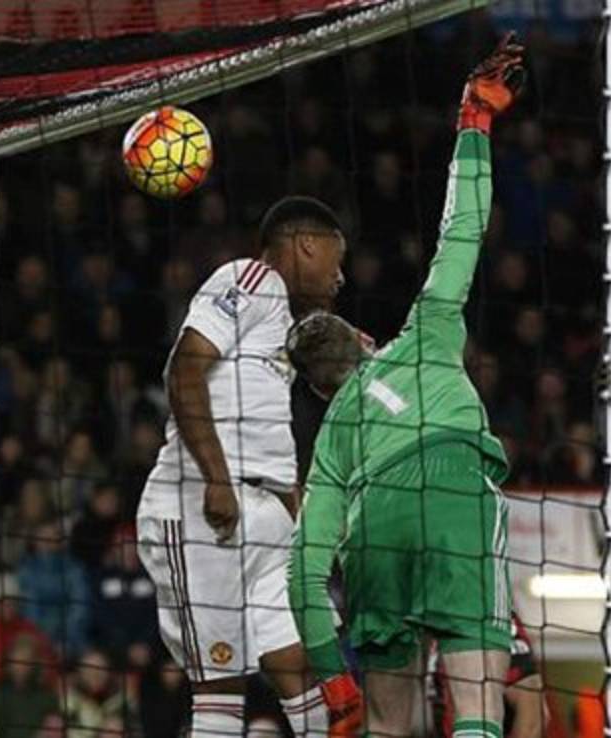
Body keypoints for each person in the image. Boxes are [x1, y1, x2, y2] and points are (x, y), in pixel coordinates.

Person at [286, 35, 526, 738]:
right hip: (450, 488)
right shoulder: (421, 335)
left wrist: (334, 679)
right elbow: (463, 233)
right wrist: (474, 122)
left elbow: (304, 571)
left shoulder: (334, 436)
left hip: (372, 528)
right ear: (363, 340)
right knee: (476, 703)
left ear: (321, 391)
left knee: (390, 725)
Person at [134, 194, 359, 737]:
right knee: (220, 683)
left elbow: (265, 426)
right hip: (202, 504)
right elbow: (185, 372)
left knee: (302, 662)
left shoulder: (286, 326)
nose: (341, 275)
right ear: (307, 244)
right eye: (337, 257)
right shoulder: (252, 278)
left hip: (265, 514)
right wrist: (215, 478)